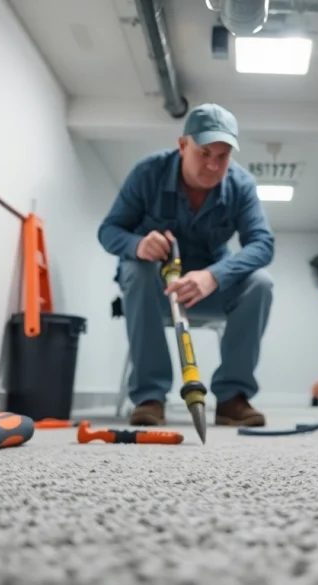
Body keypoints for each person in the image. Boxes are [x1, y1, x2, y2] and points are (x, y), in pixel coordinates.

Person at [97, 103, 275, 428]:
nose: (212, 165)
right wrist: (137, 245)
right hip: (154, 289)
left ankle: (232, 398)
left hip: (210, 289)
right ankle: (150, 396)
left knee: (260, 283)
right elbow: (108, 231)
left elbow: (263, 245)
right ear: (183, 145)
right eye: (204, 152)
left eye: (222, 157)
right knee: (135, 269)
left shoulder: (241, 185)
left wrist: (214, 276)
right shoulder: (147, 173)